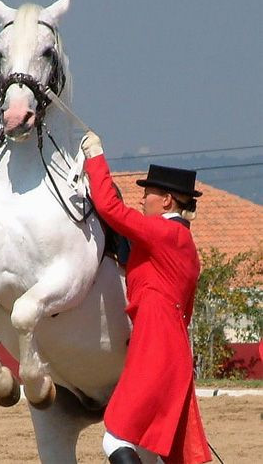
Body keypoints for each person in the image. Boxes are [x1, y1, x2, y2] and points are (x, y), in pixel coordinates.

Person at [81, 131, 212, 464]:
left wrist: (95, 157)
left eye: (148, 195)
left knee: (115, 438)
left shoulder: (164, 233)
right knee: (174, 455)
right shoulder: (182, 242)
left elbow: (111, 208)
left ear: (167, 200)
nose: (143, 201)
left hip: (155, 345)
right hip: (174, 349)